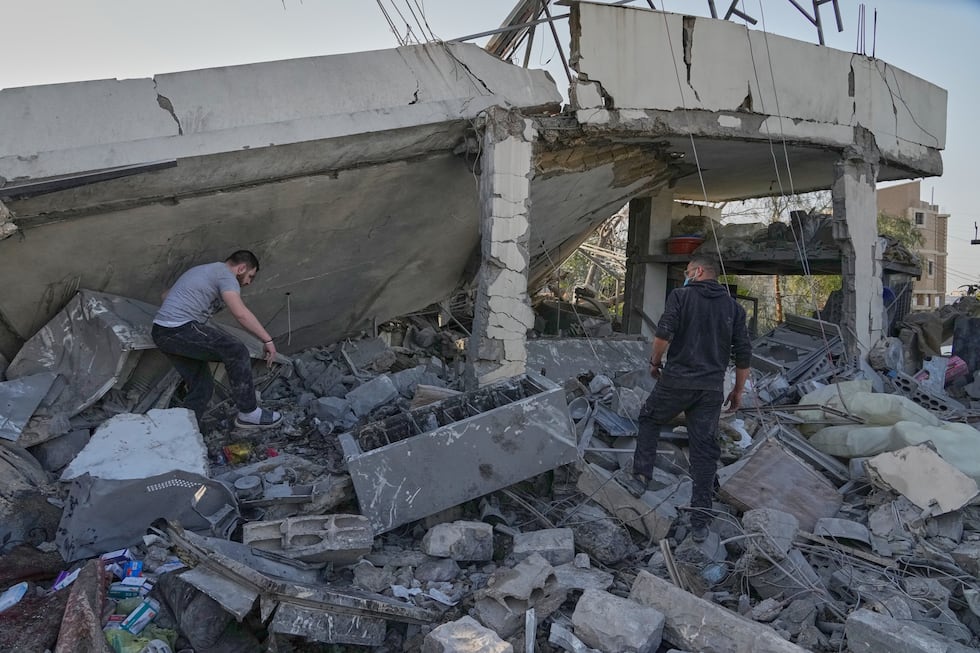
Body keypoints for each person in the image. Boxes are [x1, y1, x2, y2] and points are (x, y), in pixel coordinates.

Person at [618, 254, 751, 543]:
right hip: (711, 389)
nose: (686, 276)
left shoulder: (681, 297)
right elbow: (743, 356)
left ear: (699, 271)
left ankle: (641, 477)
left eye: (689, 271)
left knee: (650, 418)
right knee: (704, 449)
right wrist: (738, 391)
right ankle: (700, 520)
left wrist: (655, 361)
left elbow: (663, 335)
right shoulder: (734, 308)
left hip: (677, 381)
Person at [152, 250, 283, 430]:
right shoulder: (225, 274)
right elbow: (241, 314)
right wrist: (267, 340)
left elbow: (165, 296)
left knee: (202, 387)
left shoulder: (203, 271)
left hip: (162, 332)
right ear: (241, 268)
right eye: (250, 276)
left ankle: (185, 432)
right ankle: (249, 413)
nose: (248, 282)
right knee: (236, 351)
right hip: (179, 329)